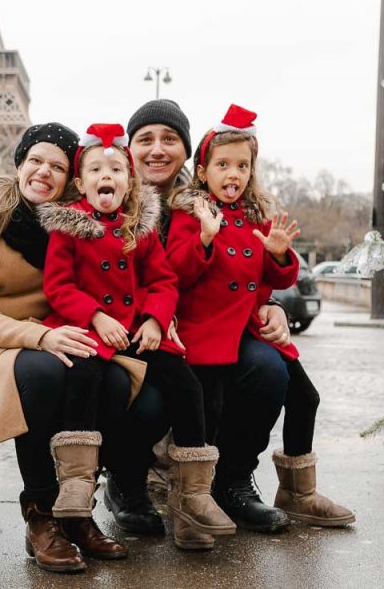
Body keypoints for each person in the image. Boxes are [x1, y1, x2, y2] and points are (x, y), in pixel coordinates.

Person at [0, 123, 138, 574]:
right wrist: (40, 336)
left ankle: (76, 510)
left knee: (115, 380)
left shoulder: (82, 222)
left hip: (65, 334)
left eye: (57, 166)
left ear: (70, 178)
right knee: (42, 375)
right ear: (18, 164)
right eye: (35, 160)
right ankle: (39, 514)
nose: (44, 172)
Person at [36, 123, 235, 550]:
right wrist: (94, 315)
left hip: (138, 331)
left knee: (187, 387)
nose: (105, 176)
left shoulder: (138, 229)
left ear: (130, 182)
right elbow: (58, 286)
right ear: (80, 182)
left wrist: (155, 320)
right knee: (82, 376)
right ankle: (76, 480)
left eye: (115, 169)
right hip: (92, 329)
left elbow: (163, 281)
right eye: (95, 169)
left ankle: (193, 495)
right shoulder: (67, 228)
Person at [104, 99, 296, 536]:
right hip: (130, 329)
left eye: (169, 139)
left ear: (188, 152)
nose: (157, 149)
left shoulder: (206, 202)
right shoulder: (106, 192)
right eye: (145, 139)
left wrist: (273, 304)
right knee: (154, 398)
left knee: (268, 370)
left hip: (200, 330)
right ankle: (125, 480)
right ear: (127, 147)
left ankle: (230, 482)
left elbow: (250, 264)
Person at [166, 104, 354, 527]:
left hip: (247, 325)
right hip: (209, 330)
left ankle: (291, 491)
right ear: (202, 171)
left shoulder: (256, 216)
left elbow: (274, 278)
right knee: (238, 393)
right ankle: (220, 487)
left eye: (242, 166)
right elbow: (176, 272)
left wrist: (280, 253)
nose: (233, 174)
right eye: (223, 165)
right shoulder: (190, 213)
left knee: (304, 395)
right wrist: (206, 240)